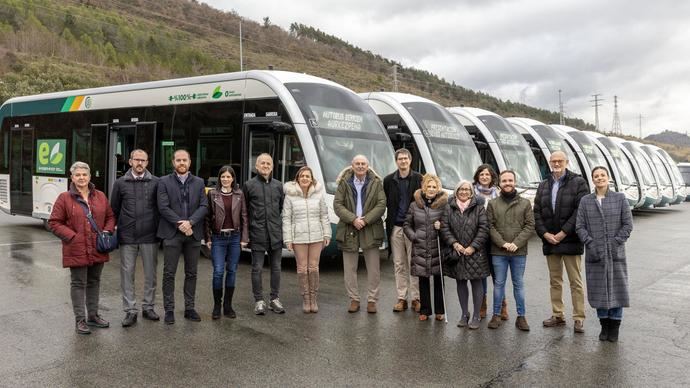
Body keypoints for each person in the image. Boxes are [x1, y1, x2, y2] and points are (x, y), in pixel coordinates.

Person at [49, 161, 115, 334]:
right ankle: (80, 320)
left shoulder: (100, 195)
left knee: (94, 281)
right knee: (78, 283)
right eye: (77, 175)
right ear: (72, 177)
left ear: (90, 176)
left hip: (97, 246)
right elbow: (54, 222)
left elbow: (110, 216)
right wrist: (72, 237)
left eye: (84, 174)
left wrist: (107, 231)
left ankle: (93, 316)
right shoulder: (64, 198)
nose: (81, 178)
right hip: (76, 247)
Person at [534, 151, 589, 334]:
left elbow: (580, 210)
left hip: (571, 240)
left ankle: (579, 318)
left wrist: (564, 232)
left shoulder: (578, 182)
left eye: (560, 161)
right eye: (553, 161)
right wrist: (545, 234)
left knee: (575, 281)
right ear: (550, 163)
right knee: (555, 281)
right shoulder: (543, 185)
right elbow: (537, 213)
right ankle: (558, 315)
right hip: (550, 241)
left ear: (567, 162)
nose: (556, 163)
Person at [576, 166, 633, 342]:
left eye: (602, 175)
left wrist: (615, 242)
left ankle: (614, 328)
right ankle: (604, 326)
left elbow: (627, 225)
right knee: (599, 291)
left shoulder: (619, 198)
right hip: (595, 254)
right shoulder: (586, 201)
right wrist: (591, 244)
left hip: (615, 253)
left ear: (608, 178)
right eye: (596, 176)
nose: (600, 178)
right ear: (592, 180)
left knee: (617, 290)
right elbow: (580, 227)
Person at [110, 149, 161, 327]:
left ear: (147, 163)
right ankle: (130, 310)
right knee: (127, 274)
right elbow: (113, 209)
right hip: (128, 236)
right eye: (136, 160)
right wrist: (110, 230)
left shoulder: (156, 182)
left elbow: (161, 208)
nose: (140, 163)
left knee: (150, 274)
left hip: (150, 236)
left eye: (143, 160)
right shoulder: (120, 183)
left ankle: (148, 307)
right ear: (130, 161)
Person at [157, 149, 208, 324]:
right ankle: (169, 310)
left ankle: (189, 308)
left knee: (191, 273)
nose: (181, 163)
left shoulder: (199, 182)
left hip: (192, 234)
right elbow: (163, 207)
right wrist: (181, 224)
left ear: (190, 162)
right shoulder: (164, 182)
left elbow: (204, 206)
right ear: (173, 162)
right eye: (178, 160)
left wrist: (190, 223)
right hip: (172, 233)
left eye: (184, 160)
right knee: (169, 273)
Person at [334, 154, 386, 314]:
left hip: (370, 228)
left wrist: (366, 220)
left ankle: (372, 301)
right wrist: (353, 219)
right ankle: (354, 299)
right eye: (357, 163)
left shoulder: (376, 183)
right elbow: (337, 204)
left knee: (374, 269)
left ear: (368, 166)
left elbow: (381, 204)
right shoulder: (344, 183)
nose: (361, 166)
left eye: (363, 163)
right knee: (350, 269)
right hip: (349, 228)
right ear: (352, 165)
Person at [486, 170, 534, 331]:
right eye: (504, 181)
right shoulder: (493, 204)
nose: (507, 183)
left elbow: (529, 225)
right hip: (499, 252)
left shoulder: (525, 203)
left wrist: (516, 243)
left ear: (515, 182)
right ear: (499, 183)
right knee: (498, 284)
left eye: (510, 180)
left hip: (518, 252)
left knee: (518, 284)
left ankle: (521, 317)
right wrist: (502, 243)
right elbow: (489, 226)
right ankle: (496, 315)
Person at [441, 180, 490, 329]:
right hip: (457, 252)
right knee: (460, 282)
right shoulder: (449, 207)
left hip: (475, 253)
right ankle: (464, 314)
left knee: (476, 283)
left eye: (467, 190)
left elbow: (484, 228)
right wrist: (454, 244)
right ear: (456, 191)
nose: (463, 192)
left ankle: (476, 315)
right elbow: (444, 228)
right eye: (460, 189)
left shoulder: (479, 207)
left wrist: (473, 247)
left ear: (471, 192)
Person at [283, 166, 331, 313]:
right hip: (299, 237)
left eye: (307, 176)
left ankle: (313, 299)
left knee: (314, 268)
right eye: (302, 176)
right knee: (302, 269)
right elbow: (286, 219)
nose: (305, 178)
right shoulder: (290, 196)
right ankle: (306, 299)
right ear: (297, 178)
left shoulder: (318, 195)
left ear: (311, 179)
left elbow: (324, 215)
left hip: (317, 236)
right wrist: (288, 239)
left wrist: (327, 234)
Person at [243, 153, 285, 315]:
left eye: (268, 163)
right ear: (257, 166)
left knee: (276, 268)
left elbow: (280, 208)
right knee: (257, 268)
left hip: (275, 233)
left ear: (272, 167)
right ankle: (259, 301)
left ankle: (274, 299)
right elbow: (245, 211)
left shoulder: (278, 185)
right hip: (257, 232)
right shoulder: (249, 185)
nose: (266, 166)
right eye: (262, 163)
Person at [205, 166, 248, 320]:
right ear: (219, 178)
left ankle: (228, 306)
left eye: (228, 177)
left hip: (235, 237)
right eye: (223, 177)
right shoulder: (212, 194)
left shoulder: (239, 194)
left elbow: (244, 217)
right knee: (218, 271)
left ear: (233, 179)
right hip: (218, 238)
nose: (225, 179)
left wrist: (244, 238)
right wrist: (208, 238)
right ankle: (217, 306)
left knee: (232, 271)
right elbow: (207, 218)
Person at [404, 174, 448, 321]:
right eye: (428, 186)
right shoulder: (414, 205)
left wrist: (441, 226)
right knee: (423, 279)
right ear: (424, 188)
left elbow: (449, 224)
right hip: (420, 246)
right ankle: (425, 310)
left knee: (437, 279)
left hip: (437, 246)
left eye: (434, 187)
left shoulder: (444, 205)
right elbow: (407, 225)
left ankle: (440, 311)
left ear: (438, 189)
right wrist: (414, 236)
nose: (431, 189)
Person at [384, 148, 423, 313]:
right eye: (400, 159)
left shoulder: (419, 179)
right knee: (399, 264)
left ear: (410, 160)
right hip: (396, 228)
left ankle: (416, 298)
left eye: (405, 159)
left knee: (414, 264)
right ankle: (402, 298)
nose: (403, 161)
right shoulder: (388, 180)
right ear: (396, 161)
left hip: (413, 228)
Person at [473, 164, 507, 320]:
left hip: (496, 239)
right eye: (482, 174)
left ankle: (502, 306)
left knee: (497, 274)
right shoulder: (471, 193)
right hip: (478, 238)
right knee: (480, 274)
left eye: (487, 174)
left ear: (492, 177)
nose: (484, 177)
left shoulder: (499, 194)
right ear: (477, 176)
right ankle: (482, 305)